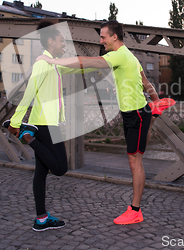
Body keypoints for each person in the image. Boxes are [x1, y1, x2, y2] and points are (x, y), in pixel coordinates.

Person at [36, 20, 159, 225]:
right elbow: (146, 83)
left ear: (114, 37)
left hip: (136, 113)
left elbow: (88, 62)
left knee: (135, 161)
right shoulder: (130, 57)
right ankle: (153, 113)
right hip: (135, 112)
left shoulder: (118, 55)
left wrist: (55, 62)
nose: (100, 41)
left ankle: (135, 210)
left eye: (103, 37)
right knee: (136, 156)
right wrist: (156, 100)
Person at [6, 20, 76, 232]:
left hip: (47, 122)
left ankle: (41, 219)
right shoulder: (41, 65)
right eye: (62, 41)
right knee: (61, 168)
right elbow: (28, 95)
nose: (64, 44)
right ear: (50, 41)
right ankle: (29, 138)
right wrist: (16, 123)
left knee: (40, 172)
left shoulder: (52, 64)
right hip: (45, 125)